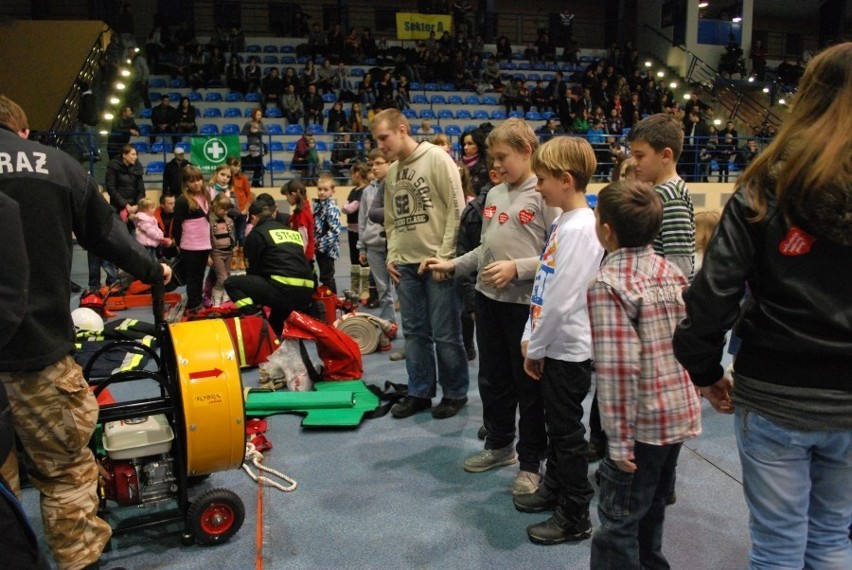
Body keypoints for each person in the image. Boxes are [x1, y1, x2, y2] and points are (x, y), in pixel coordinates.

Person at [673, 42, 852, 570]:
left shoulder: (765, 185)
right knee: (832, 538)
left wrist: (705, 370)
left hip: (775, 391)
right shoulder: (766, 186)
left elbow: (713, 294)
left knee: (778, 546)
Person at [0, 94, 170, 570]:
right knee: (66, 471)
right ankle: (78, 560)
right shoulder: (56, 166)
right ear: (24, 130)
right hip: (37, 353)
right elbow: (108, 235)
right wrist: (152, 270)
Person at [423, 119, 561, 493]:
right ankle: (500, 445)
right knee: (493, 380)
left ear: (527, 152)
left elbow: (558, 255)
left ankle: (532, 462)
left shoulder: (546, 194)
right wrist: (454, 264)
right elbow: (487, 249)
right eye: (492, 158)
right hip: (489, 301)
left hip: (525, 308)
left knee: (528, 387)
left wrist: (519, 267)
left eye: (503, 157)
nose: (495, 165)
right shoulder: (496, 193)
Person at [588, 180, 702, 568]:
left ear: (606, 230)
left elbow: (617, 368)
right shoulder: (671, 271)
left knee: (618, 521)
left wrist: (617, 441)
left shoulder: (609, 282)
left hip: (640, 424)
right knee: (652, 506)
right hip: (677, 413)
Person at [509, 136, 604, 545]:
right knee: (554, 426)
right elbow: (544, 287)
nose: (538, 186)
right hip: (551, 343)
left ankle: (575, 512)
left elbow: (565, 297)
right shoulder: (564, 221)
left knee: (567, 434)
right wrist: (532, 335)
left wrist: (539, 344)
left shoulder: (583, 229)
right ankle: (556, 487)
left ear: (566, 180)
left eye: (543, 179)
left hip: (567, 349)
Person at [371, 108, 469, 419]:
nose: (380, 145)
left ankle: (454, 393)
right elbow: (392, 220)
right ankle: (420, 391)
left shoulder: (437, 158)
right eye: (377, 140)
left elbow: (457, 208)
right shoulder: (394, 171)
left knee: (445, 333)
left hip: (436, 262)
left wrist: (446, 256)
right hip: (406, 266)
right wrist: (392, 255)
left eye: (384, 137)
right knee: (413, 333)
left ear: (402, 129)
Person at [225, 200, 315, 335]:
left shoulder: (257, 234)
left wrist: (256, 301)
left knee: (231, 283)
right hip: (306, 293)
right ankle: (272, 329)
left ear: (254, 218)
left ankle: (257, 317)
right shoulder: (290, 231)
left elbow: (252, 271)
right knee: (274, 328)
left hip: (283, 290)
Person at [627, 113, 696, 281]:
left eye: (640, 156)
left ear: (666, 155)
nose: (634, 162)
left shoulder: (670, 196)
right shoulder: (661, 192)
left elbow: (680, 268)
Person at [358, 149, 396, 323]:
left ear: (390, 163)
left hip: (396, 246)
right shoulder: (367, 192)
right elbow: (363, 220)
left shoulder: (397, 186)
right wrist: (362, 247)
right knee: (382, 288)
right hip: (374, 245)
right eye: (372, 164)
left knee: (404, 288)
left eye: (379, 163)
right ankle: (390, 323)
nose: (374, 168)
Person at [173, 165, 212, 314]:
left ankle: (197, 300)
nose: (197, 183)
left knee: (200, 274)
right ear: (186, 184)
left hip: (204, 244)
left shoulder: (205, 196)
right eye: (192, 181)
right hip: (190, 245)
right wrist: (178, 243)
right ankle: (193, 304)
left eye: (199, 180)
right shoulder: (183, 200)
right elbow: (177, 225)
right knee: (192, 277)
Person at [313, 172, 342, 293]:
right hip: (319, 247)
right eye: (319, 189)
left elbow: (335, 231)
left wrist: (321, 245)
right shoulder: (318, 206)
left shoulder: (332, 208)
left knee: (327, 277)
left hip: (328, 249)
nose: (322, 192)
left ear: (332, 191)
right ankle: (328, 299)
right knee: (324, 277)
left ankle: (333, 301)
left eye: (325, 189)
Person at [343, 162, 368, 299]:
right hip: (351, 229)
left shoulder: (365, 190)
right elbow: (345, 205)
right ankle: (355, 288)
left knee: (362, 258)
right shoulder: (354, 190)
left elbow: (350, 208)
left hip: (361, 229)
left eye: (353, 173)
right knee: (353, 258)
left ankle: (365, 290)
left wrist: (346, 207)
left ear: (358, 173)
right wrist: (346, 207)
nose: (352, 176)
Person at [208, 193, 236, 306]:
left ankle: (225, 294)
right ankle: (216, 294)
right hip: (216, 252)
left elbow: (232, 235)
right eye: (222, 209)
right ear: (215, 206)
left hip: (228, 251)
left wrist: (234, 246)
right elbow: (207, 237)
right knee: (222, 277)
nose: (224, 212)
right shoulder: (209, 220)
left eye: (226, 209)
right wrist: (208, 255)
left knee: (227, 274)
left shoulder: (228, 220)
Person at [280, 179, 315, 266]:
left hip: (304, 255)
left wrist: (299, 257)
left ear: (293, 194)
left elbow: (303, 237)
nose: (286, 199)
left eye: (287, 196)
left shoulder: (302, 213)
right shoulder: (303, 209)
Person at [134, 196, 169, 261]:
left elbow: (156, 228)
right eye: (152, 208)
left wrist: (161, 233)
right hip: (146, 244)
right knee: (150, 261)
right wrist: (159, 237)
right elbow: (150, 231)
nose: (154, 209)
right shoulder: (143, 220)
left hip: (151, 243)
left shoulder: (150, 218)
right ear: (145, 210)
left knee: (153, 260)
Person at [241, 108, 267, 187]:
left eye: (260, 115)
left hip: (260, 146)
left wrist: (257, 131)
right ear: (254, 115)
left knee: (260, 166)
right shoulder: (249, 123)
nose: (260, 116)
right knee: (259, 165)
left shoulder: (261, 123)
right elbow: (243, 132)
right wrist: (250, 131)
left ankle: (255, 182)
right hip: (252, 145)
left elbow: (266, 131)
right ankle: (255, 182)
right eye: (258, 114)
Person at [154, 192, 178, 259]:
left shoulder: (179, 214)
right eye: (170, 203)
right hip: (159, 246)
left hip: (174, 245)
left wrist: (175, 240)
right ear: (162, 205)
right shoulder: (153, 216)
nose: (174, 205)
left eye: (174, 203)